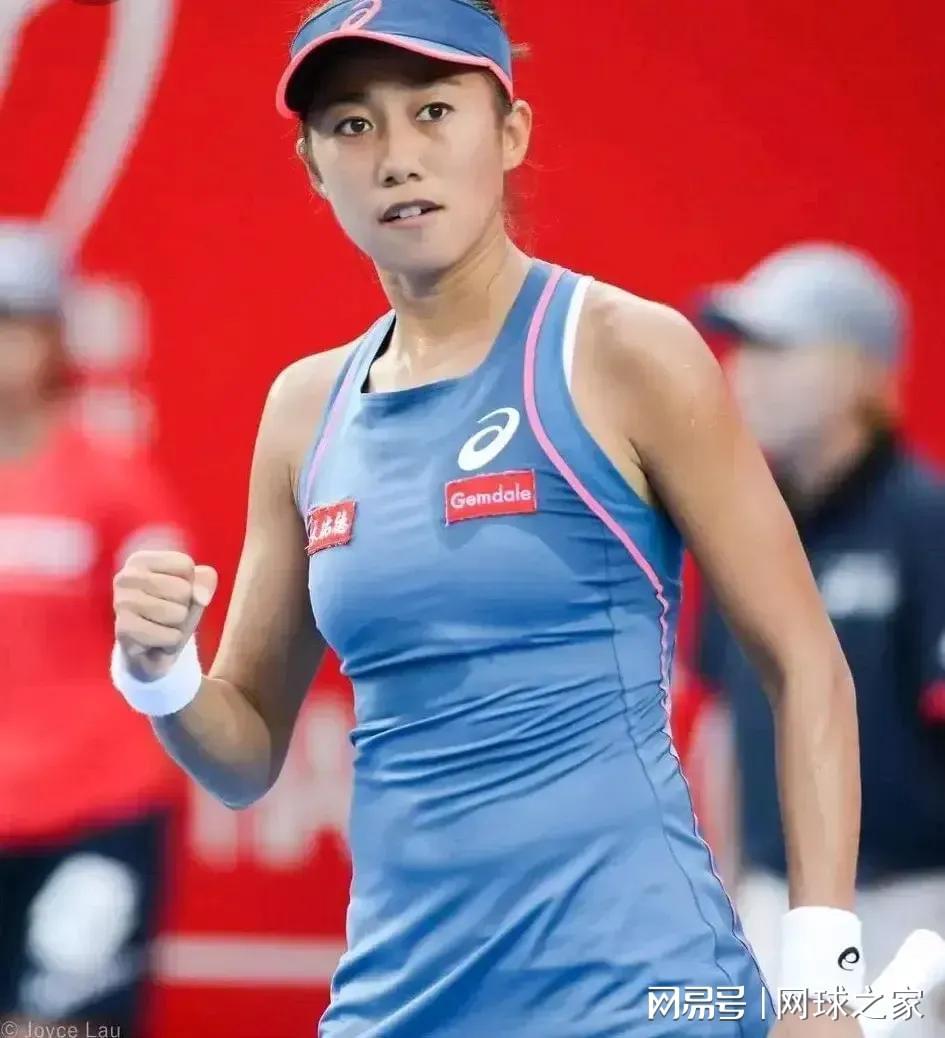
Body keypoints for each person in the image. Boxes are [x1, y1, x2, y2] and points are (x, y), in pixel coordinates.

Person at [108, 2, 871, 1035]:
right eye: (351, 125)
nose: (396, 157)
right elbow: (242, 757)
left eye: (433, 111)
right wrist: (159, 674)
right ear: (312, 167)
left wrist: (825, 984)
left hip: (636, 998)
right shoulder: (303, 409)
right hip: (396, 1004)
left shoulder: (624, 352)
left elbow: (805, 664)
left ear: (510, 133)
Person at [693, 242, 945, 1034]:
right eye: (741, 349)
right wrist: (725, 896)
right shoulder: (744, 530)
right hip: (771, 906)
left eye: (777, 347)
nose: (746, 373)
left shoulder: (926, 524)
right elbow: (723, 726)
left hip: (908, 909)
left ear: (860, 372)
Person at [0, 221, 188, 1035]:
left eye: (14, 322)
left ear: (53, 337)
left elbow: (167, 642)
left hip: (95, 812)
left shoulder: (114, 482)